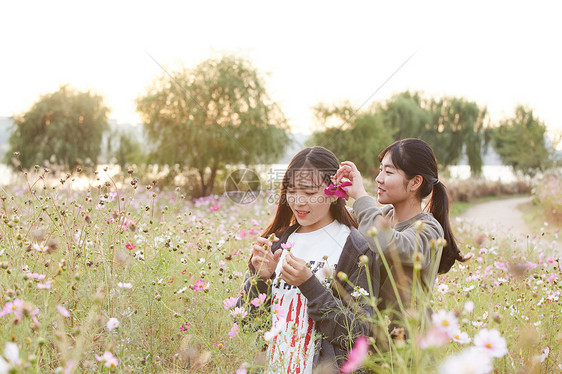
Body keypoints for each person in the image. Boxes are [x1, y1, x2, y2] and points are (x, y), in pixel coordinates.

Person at [240, 146, 380, 373]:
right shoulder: (277, 242)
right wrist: (261, 279)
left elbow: (360, 336)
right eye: (292, 191)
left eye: (309, 193)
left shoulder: (354, 249)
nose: (298, 201)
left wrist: (310, 285)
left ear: (334, 191)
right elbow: (246, 323)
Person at [334, 138, 468, 332]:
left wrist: (361, 196)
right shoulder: (385, 214)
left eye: (388, 172)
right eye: (380, 170)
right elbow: (349, 218)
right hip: (377, 343)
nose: (379, 178)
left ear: (415, 182)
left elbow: (387, 243)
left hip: (410, 348)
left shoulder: (428, 229)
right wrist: (329, 195)